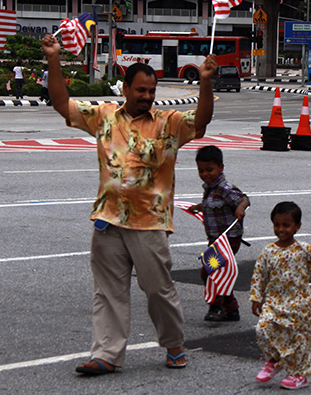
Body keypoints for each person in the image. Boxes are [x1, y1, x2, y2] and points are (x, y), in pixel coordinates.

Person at [40, 33, 218, 374]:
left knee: (158, 290)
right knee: (108, 292)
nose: (147, 97)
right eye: (141, 90)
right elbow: (63, 104)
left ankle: (174, 344)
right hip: (108, 220)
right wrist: (53, 59)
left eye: (151, 91)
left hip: (149, 223)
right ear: (125, 89)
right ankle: (106, 354)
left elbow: (203, 121)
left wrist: (207, 83)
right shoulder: (104, 116)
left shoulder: (170, 123)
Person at [250, 202, 311, 390]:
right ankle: (274, 360)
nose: (281, 229)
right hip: (273, 302)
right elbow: (259, 276)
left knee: (297, 340)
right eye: (277, 225)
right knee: (263, 329)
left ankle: (298, 375)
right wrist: (256, 298)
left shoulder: (303, 249)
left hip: (299, 304)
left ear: (297, 227)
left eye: (286, 225)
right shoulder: (268, 252)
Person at [188, 145, 250, 322]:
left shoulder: (224, 188)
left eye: (210, 169)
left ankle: (216, 307)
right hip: (216, 240)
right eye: (201, 170)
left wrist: (240, 208)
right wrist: (198, 207)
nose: (205, 174)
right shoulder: (210, 188)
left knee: (209, 272)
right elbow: (211, 202)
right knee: (217, 272)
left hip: (228, 239)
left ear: (221, 168)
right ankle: (231, 309)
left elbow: (244, 199)